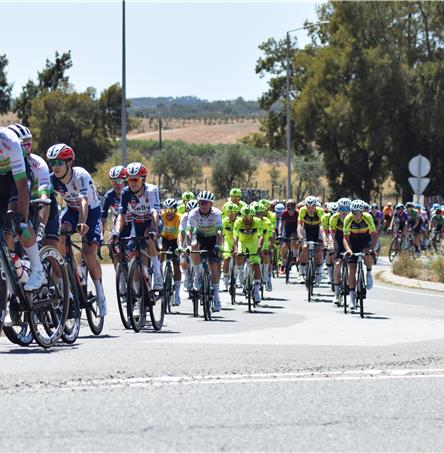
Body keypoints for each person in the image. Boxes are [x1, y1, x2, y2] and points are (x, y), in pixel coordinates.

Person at [47, 143, 108, 317]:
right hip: (71, 211)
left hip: (91, 212)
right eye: (52, 163)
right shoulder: (53, 179)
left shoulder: (80, 175)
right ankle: (70, 275)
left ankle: (100, 293)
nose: (55, 166)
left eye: (59, 162)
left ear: (69, 162)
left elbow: (83, 202)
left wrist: (82, 222)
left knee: (89, 254)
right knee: (59, 235)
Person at [0, 127, 46, 292]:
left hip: (17, 176)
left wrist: (23, 219)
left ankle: (37, 268)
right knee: (5, 235)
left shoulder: (9, 142)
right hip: (1, 179)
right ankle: (16, 269)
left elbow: (22, 188)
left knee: (17, 224)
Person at [113, 162, 163, 290]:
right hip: (136, 223)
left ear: (143, 179)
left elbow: (154, 212)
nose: (132, 182)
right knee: (131, 253)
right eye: (129, 179)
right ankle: (138, 293)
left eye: (135, 179)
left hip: (152, 221)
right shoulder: (125, 192)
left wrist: (153, 229)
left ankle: (157, 274)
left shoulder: (151, 190)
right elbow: (122, 215)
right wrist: (116, 233)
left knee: (148, 238)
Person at [187, 191, 223, 311]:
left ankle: (216, 296)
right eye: (201, 203)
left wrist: (218, 245)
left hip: (213, 238)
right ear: (198, 203)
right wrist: (187, 245)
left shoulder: (216, 213)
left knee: (213, 265)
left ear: (211, 204)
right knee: (194, 245)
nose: (204, 205)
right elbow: (189, 231)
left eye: (206, 203)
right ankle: (197, 276)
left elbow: (219, 232)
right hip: (200, 236)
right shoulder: (193, 213)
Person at [343, 199, 377, 310]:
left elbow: (374, 235)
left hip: (365, 239)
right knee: (352, 269)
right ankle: (352, 298)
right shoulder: (348, 219)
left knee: (367, 253)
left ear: (362, 212)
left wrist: (371, 249)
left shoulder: (368, 217)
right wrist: (349, 250)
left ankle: (368, 273)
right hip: (353, 241)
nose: (355, 215)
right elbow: (345, 238)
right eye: (353, 212)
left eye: (357, 213)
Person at [233, 206, 264, 304]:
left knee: (255, 264)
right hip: (242, 242)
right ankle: (240, 272)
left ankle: (256, 288)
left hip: (253, 242)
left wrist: (259, 246)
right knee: (239, 256)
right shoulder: (238, 222)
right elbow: (235, 237)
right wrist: (236, 249)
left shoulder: (258, 221)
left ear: (253, 216)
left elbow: (260, 236)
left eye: (249, 217)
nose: (246, 219)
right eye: (244, 217)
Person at [101, 165, 127, 267]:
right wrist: (101, 235)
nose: (116, 184)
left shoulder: (131, 192)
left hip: (134, 221)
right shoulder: (109, 195)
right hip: (119, 223)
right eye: (113, 181)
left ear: (125, 181)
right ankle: (119, 275)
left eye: (120, 180)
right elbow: (103, 216)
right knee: (112, 245)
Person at [329, 197, 351, 305]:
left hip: (350, 240)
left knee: (352, 264)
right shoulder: (334, 218)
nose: (344, 211)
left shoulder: (352, 218)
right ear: (338, 209)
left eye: (347, 209)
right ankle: (336, 293)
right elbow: (332, 235)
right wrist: (332, 246)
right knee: (337, 263)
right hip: (338, 240)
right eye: (342, 208)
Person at [297, 196, 325, 284]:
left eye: (312, 207)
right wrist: (301, 237)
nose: (310, 209)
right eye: (308, 207)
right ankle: (301, 273)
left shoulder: (320, 211)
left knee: (319, 249)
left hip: (317, 229)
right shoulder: (302, 211)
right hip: (307, 229)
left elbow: (322, 226)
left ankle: (319, 272)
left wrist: (323, 239)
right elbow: (299, 226)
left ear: (315, 206)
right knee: (305, 247)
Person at [160, 199, 182, 306]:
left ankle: (177, 293)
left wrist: (179, 247)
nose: (169, 212)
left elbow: (180, 234)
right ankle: (159, 275)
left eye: (172, 209)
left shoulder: (179, 218)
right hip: (164, 239)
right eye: (167, 209)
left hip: (175, 240)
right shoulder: (161, 216)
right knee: (159, 253)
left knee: (176, 264)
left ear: (175, 210)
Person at [221, 202, 239, 291]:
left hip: (238, 241)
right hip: (228, 241)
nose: (231, 215)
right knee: (226, 258)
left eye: (233, 213)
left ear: (237, 213)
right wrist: (221, 246)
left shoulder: (239, 221)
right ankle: (225, 278)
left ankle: (238, 275)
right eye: (229, 213)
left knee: (238, 257)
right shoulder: (224, 221)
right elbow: (221, 235)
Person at [278, 199, 299, 273]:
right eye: (289, 208)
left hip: (295, 229)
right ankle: (283, 261)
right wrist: (280, 233)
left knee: (294, 241)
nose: (290, 211)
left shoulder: (297, 213)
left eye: (292, 208)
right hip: (287, 230)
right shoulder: (284, 213)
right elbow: (281, 223)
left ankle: (294, 257)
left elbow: (299, 224)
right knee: (284, 246)